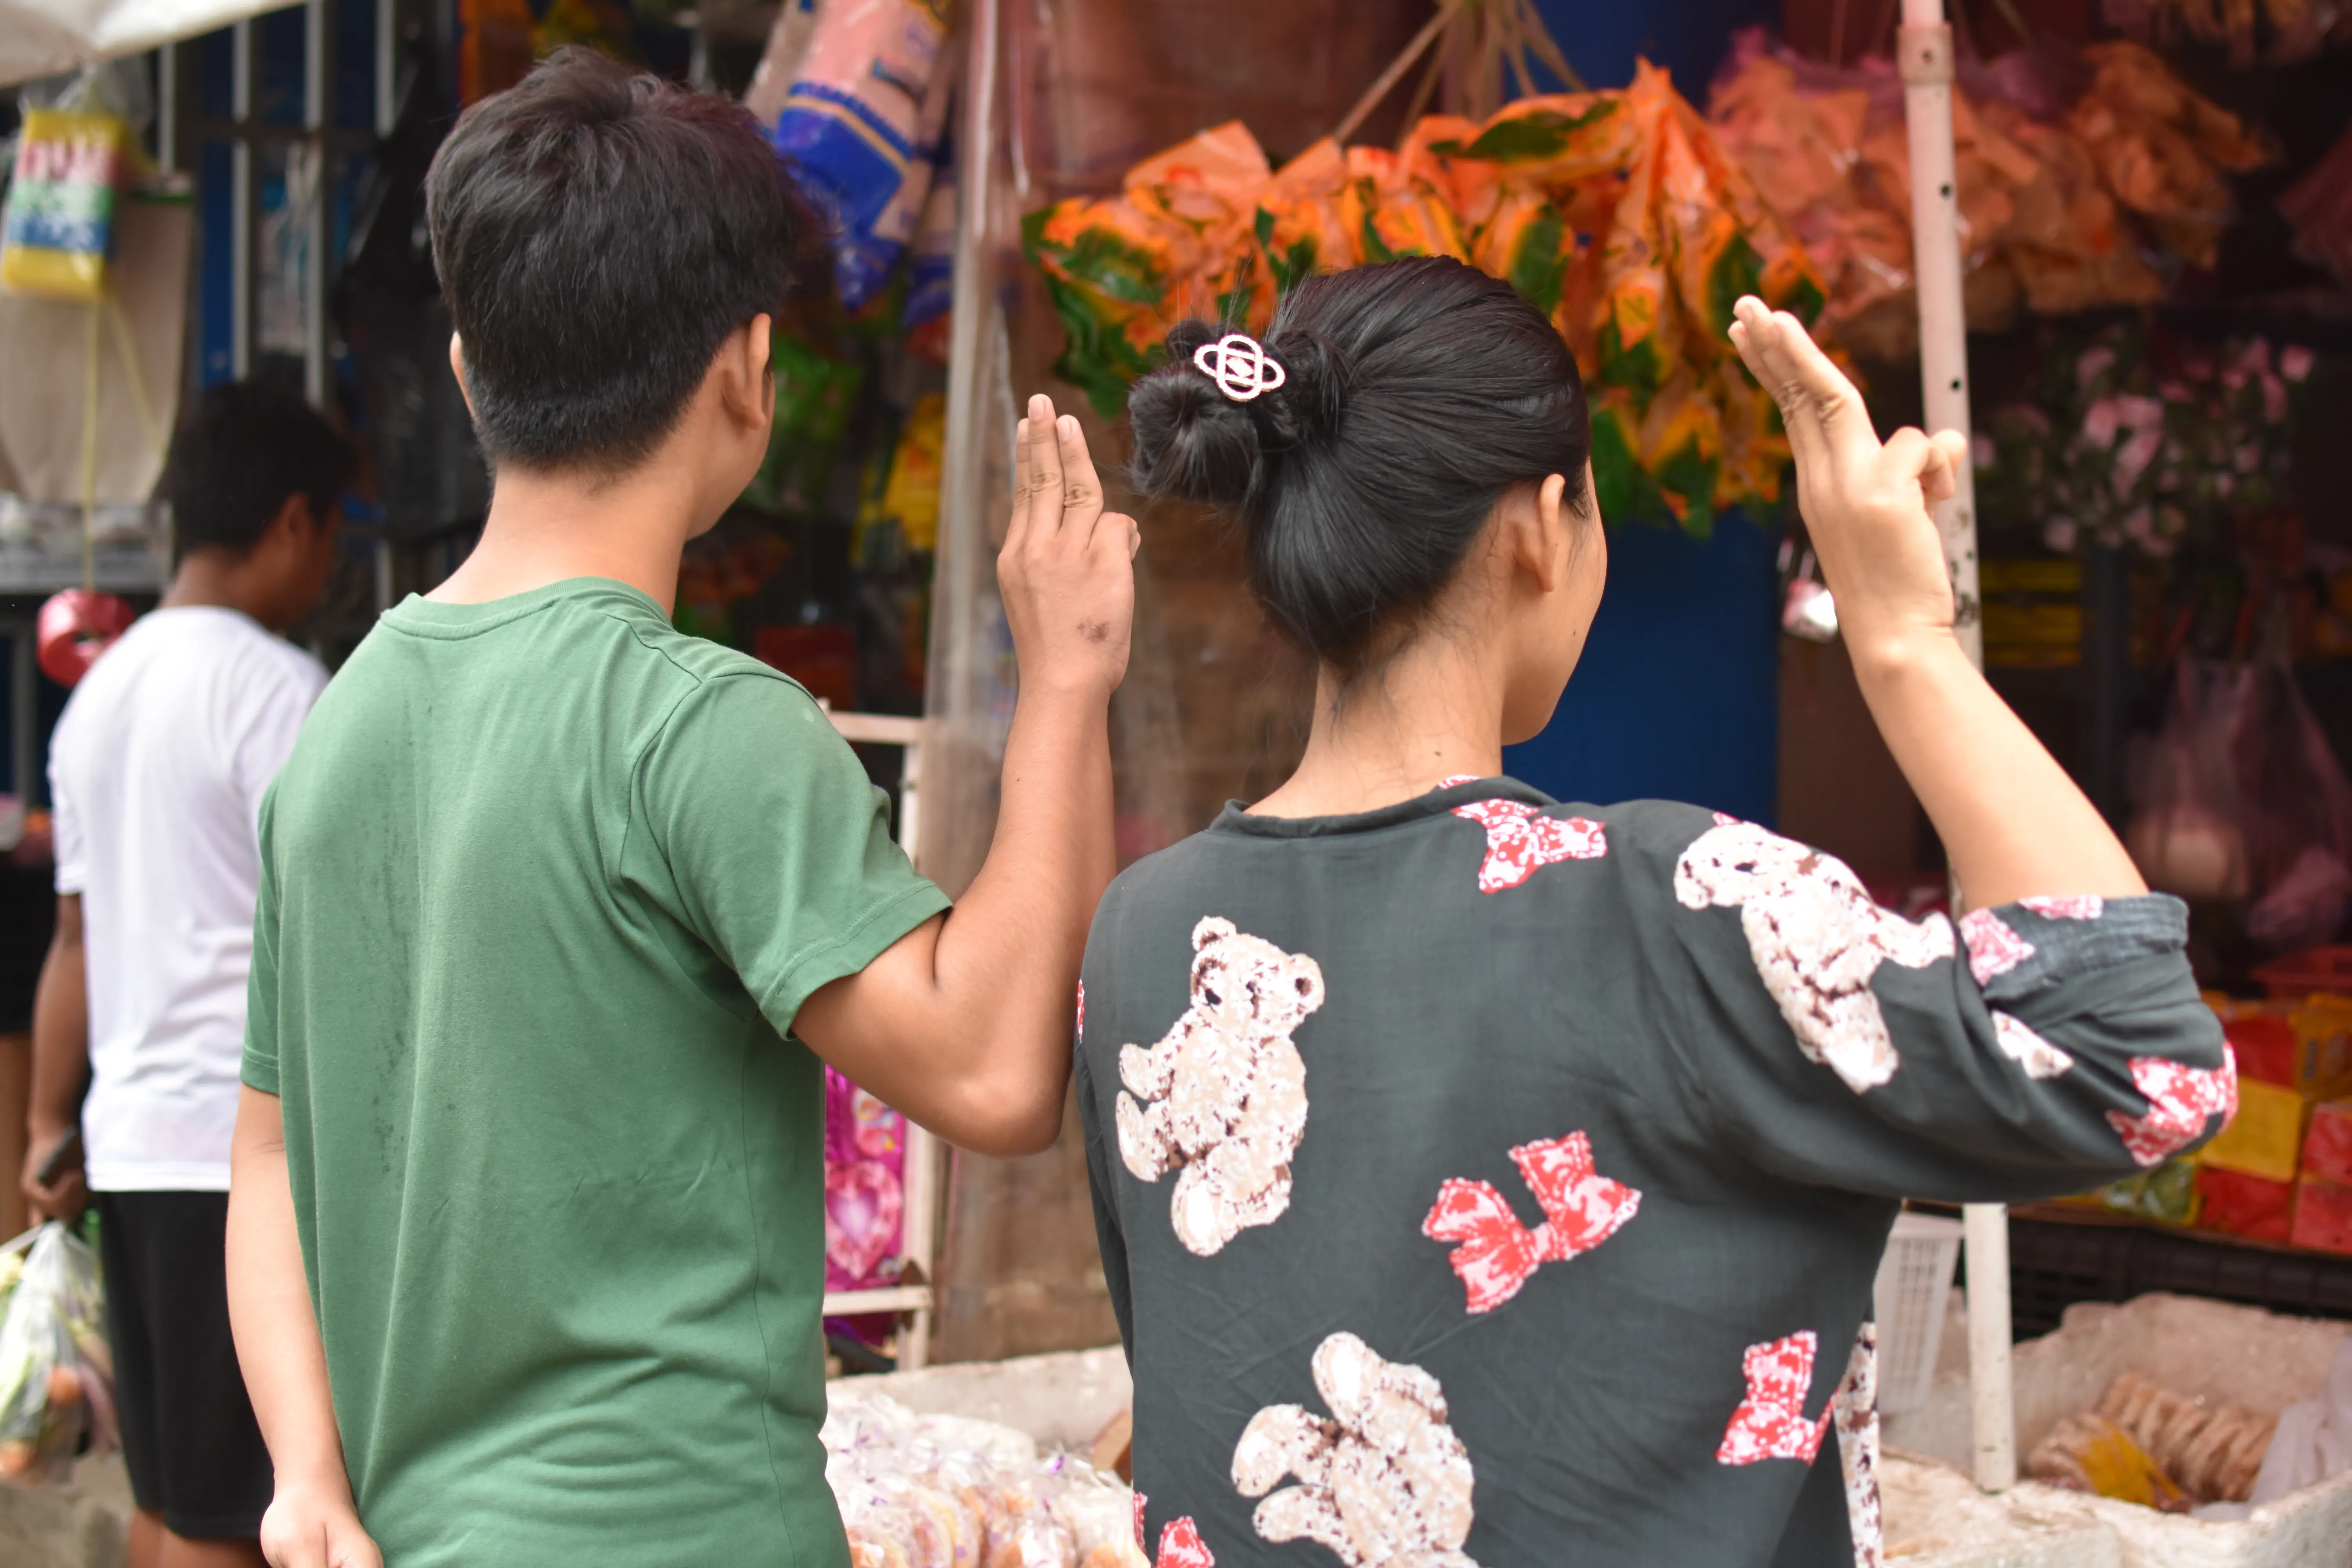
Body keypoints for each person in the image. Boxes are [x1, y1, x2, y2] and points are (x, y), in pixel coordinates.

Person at [1075, 258, 2234, 1568]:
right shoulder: (1681, 905)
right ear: (1540, 522)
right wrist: (1905, 635)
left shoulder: (1142, 933)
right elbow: (2137, 1059)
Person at [223, 48, 1136, 1568]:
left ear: (465, 365)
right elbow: (989, 1072)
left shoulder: (344, 724)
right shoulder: (705, 724)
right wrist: (1066, 680)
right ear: (746, 372)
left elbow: (264, 1157)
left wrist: (307, 1471)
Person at [24, 379, 353, 1568]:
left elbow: (76, 941)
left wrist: (44, 1124)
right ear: (291, 523)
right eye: (329, 536)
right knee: (232, 1517)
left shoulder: (94, 699)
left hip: (128, 1145)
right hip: (239, 1164)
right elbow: (337, 934)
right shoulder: (279, 694)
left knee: (165, 1498)